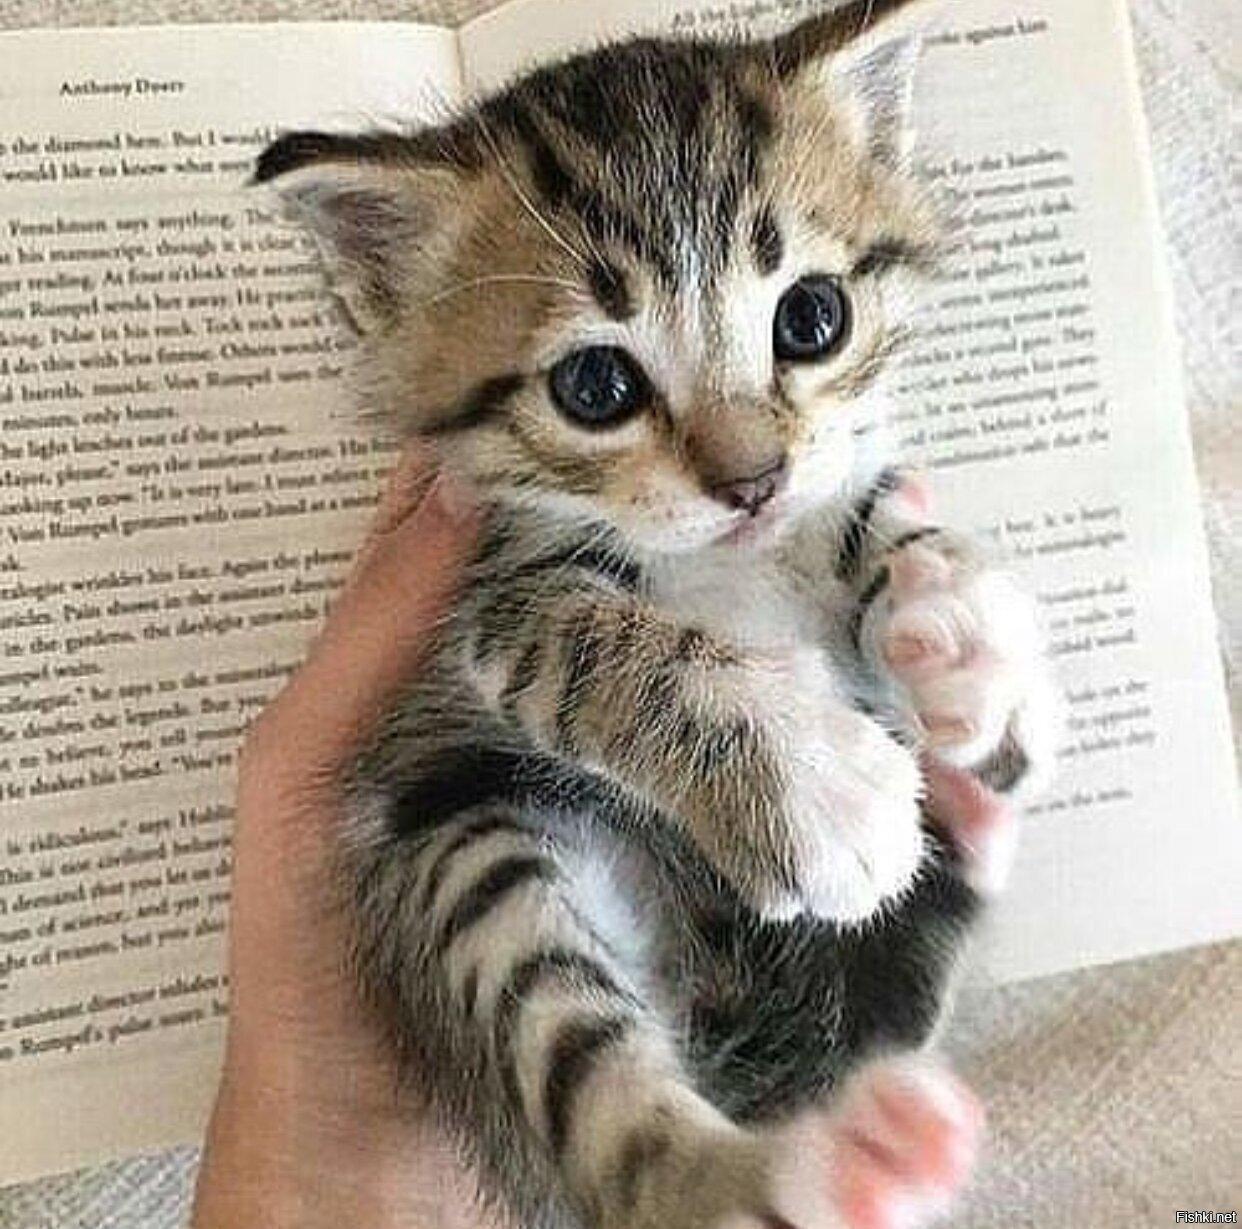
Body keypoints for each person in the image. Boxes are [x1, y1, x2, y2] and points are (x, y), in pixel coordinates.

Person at [191, 450, 1009, 1229]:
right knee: (475, 877)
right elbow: (521, 634)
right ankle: (672, 1182)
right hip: (524, 802)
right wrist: (710, 728)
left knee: (898, 692)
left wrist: (903, 585)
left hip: (748, 902)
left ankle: (862, 1010)